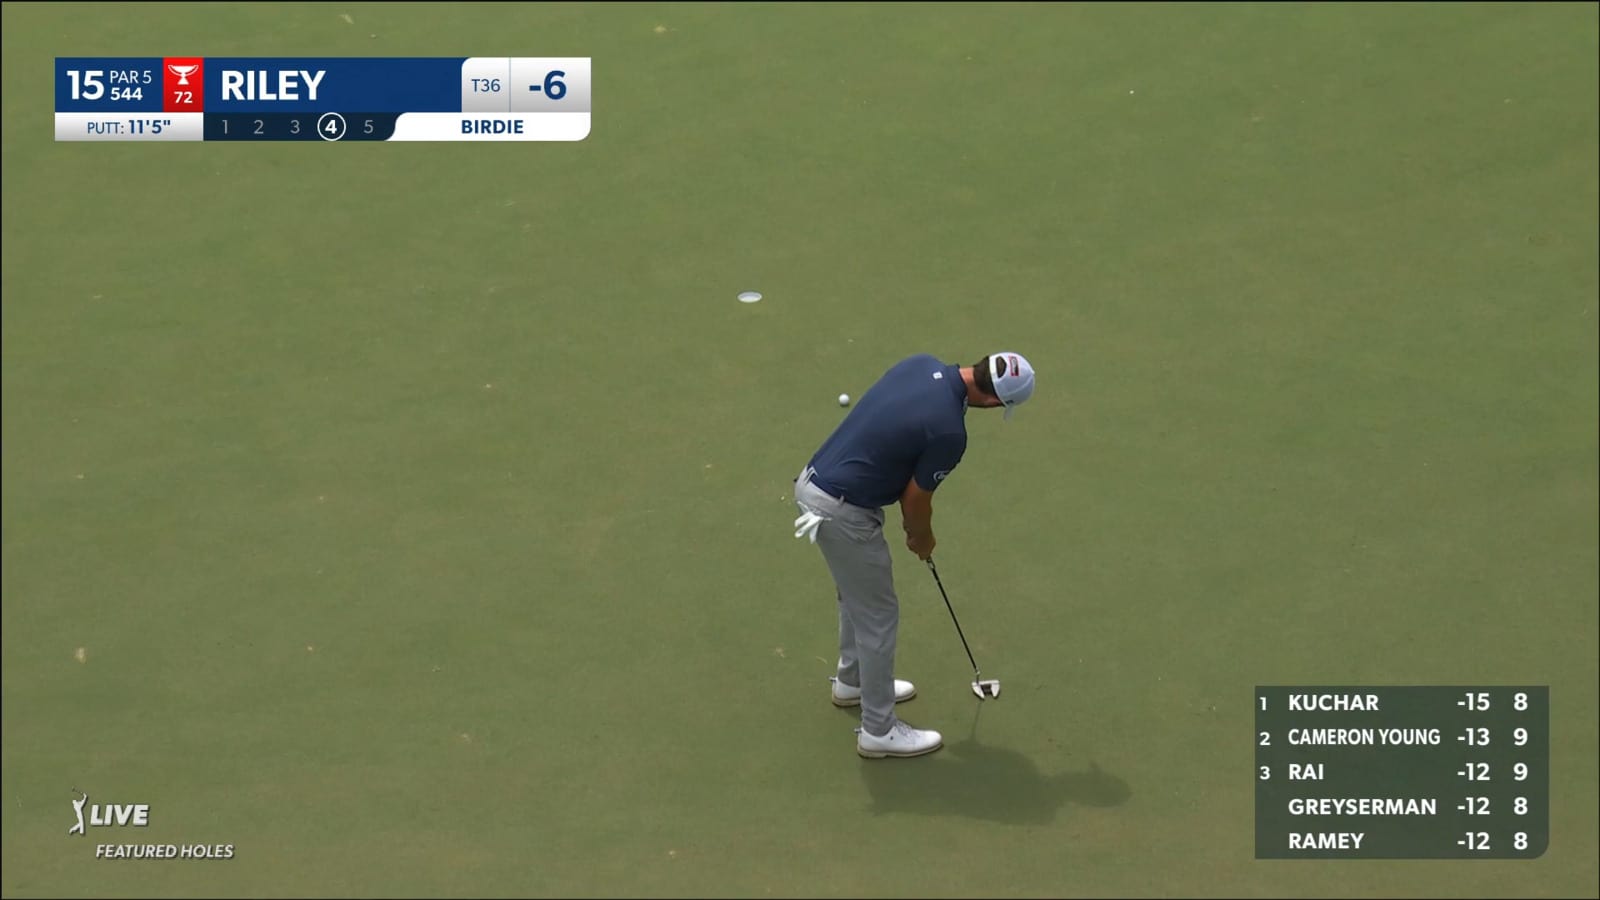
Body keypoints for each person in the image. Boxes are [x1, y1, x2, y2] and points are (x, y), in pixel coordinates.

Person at [793, 351, 1035, 758]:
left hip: (817, 486)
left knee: (857, 598)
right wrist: (921, 538)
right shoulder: (950, 434)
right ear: (995, 403)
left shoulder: (920, 364)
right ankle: (878, 731)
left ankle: (852, 683)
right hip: (841, 509)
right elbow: (916, 499)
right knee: (878, 616)